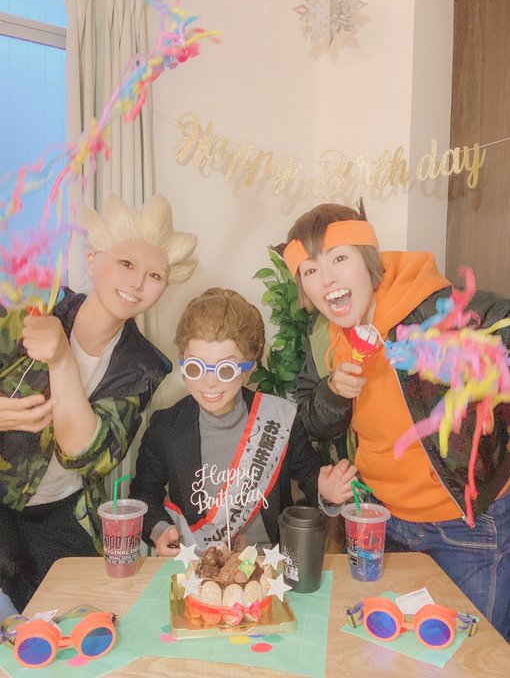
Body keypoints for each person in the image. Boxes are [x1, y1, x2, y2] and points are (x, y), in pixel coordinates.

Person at [281, 201, 510, 641]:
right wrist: (333, 392)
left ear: (369, 261)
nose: (326, 279)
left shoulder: (435, 307)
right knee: (389, 651)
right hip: (382, 525)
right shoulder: (323, 338)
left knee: (473, 655)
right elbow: (314, 422)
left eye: (339, 259)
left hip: (466, 527)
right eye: (310, 270)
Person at [0, 193, 197, 611]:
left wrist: (61, 359)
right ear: (92, 262)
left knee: (80, 625)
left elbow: (85, 456)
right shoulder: (26, 312)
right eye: (126, 264)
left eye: (154, 275)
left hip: (62, 517)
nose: (137, 283)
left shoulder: (143, 366)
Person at [129, 287, 357, 555]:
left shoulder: (279, 419)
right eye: (195, 367)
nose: (210, 382)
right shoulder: (166, 427)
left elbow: (309, 476)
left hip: (269, 562)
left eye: (226, 369)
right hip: (196, 563)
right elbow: (144, 494)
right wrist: (159, 530)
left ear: (249, 368)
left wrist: (326, 490)